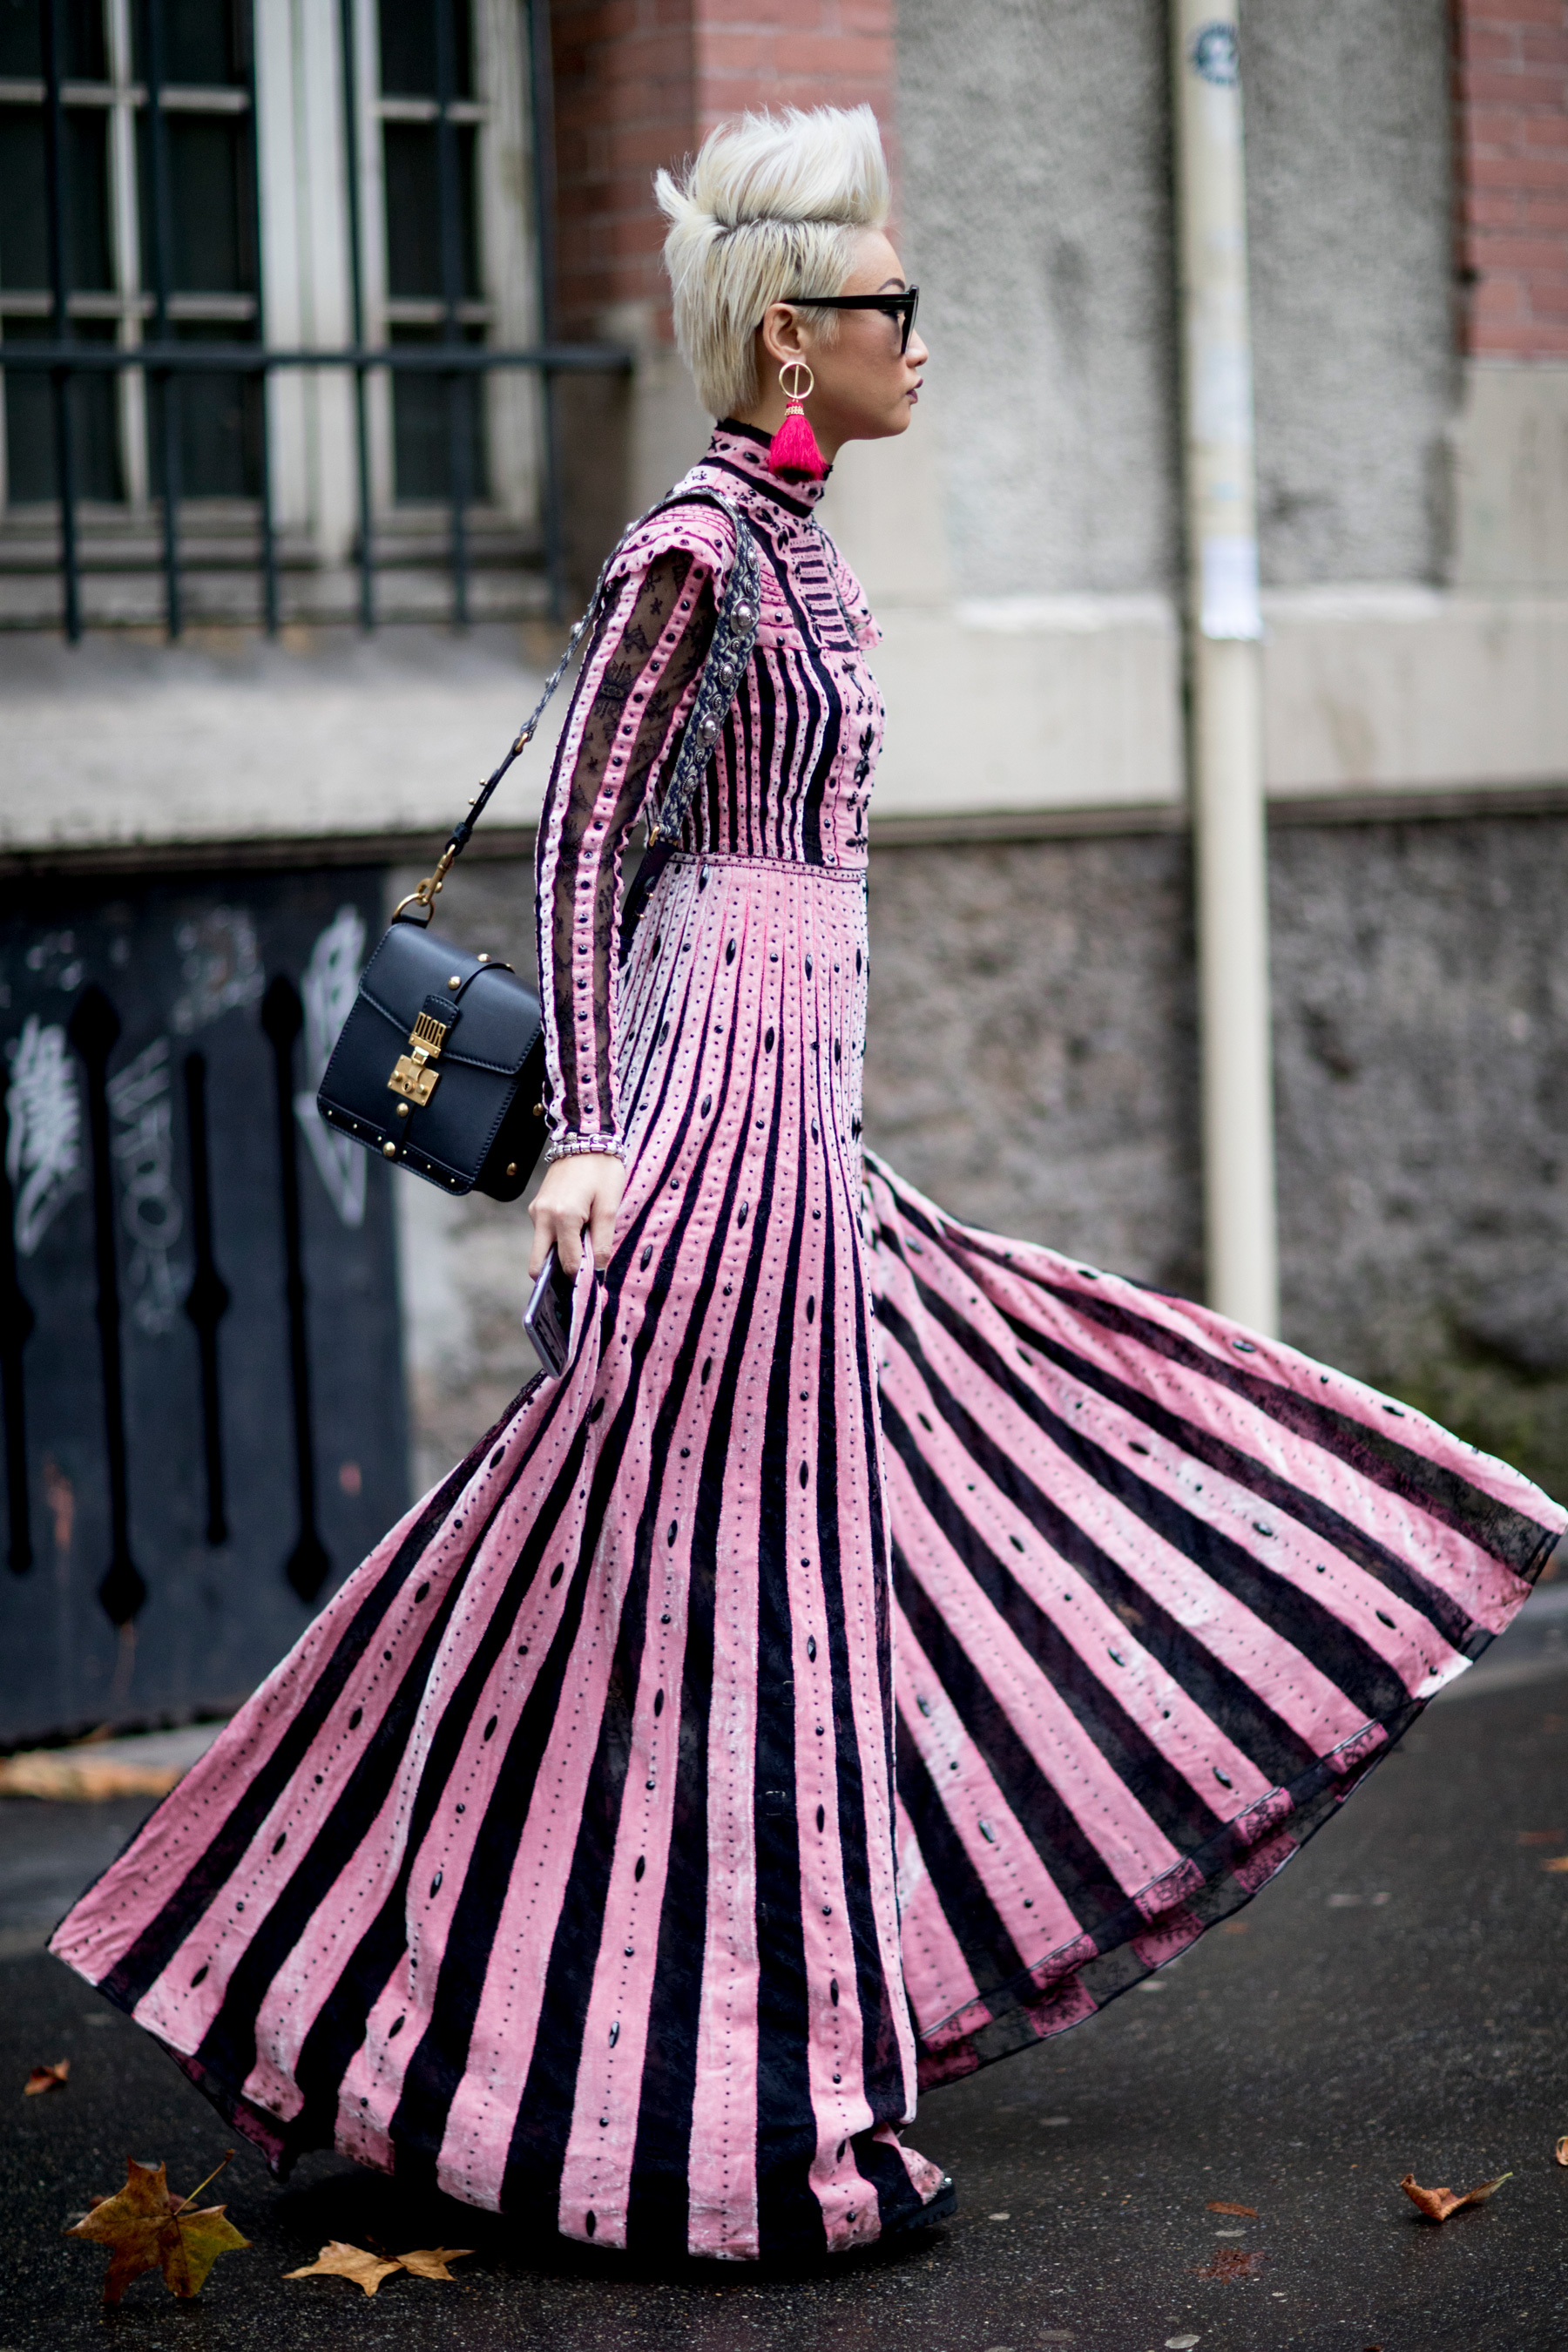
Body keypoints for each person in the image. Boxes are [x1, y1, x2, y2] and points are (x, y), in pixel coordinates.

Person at [51, 105, 1564, 2266]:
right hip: (710, 1114)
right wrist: (593, 1134)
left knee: (751, 1555)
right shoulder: (693, 550)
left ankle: (552, 2041)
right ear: (790, 335)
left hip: (793, 1109)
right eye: (889, 302)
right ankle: (677, 2100)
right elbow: (586, 840)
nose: (917, 338)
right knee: (710, 1600)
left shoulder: (800, 544)